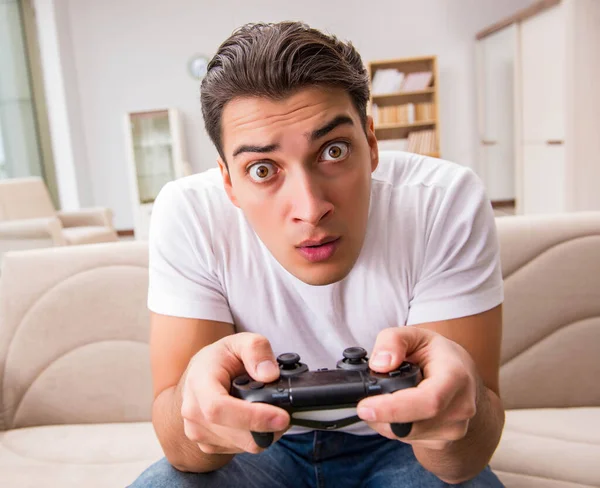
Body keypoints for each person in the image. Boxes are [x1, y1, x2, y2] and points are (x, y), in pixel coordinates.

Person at [129, 21, 506, 488]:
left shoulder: (443, 200)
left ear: (371, 144)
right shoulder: (188, 212)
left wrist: (453, 412)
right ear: (227, 181)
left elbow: (461, 459)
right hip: (261, 444)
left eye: (333, 150)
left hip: (403, 445)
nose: (310, 209)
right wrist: (195, 402)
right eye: (262, 169)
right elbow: (182, 448)